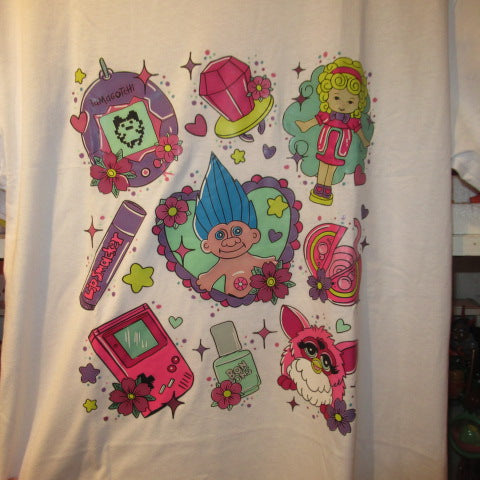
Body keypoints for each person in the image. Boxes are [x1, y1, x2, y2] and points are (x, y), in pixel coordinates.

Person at [194, 153, 275, 297]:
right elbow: (212, 276)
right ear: (206, 245)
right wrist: (207, 279)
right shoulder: (223, 264)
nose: (231, 241)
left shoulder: (248, 258)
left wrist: (267, 262)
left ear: (254, 235)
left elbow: (258, 262)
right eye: (220, 235)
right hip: (232, 296)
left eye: (237, 231)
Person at [295, 57, 371, 205]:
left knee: (333, 166)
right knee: (323, 165)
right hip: (326, 143)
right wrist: (305, 125)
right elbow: (317, 120)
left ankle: (326, 188)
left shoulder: (351, 120)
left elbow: (358, 129)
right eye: (337, 97)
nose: (342, 105)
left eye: (350, 101)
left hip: (340, 146)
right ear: (327, 96)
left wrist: (364, 140)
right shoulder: (328, 116)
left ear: (358, 102)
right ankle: (319, 186)